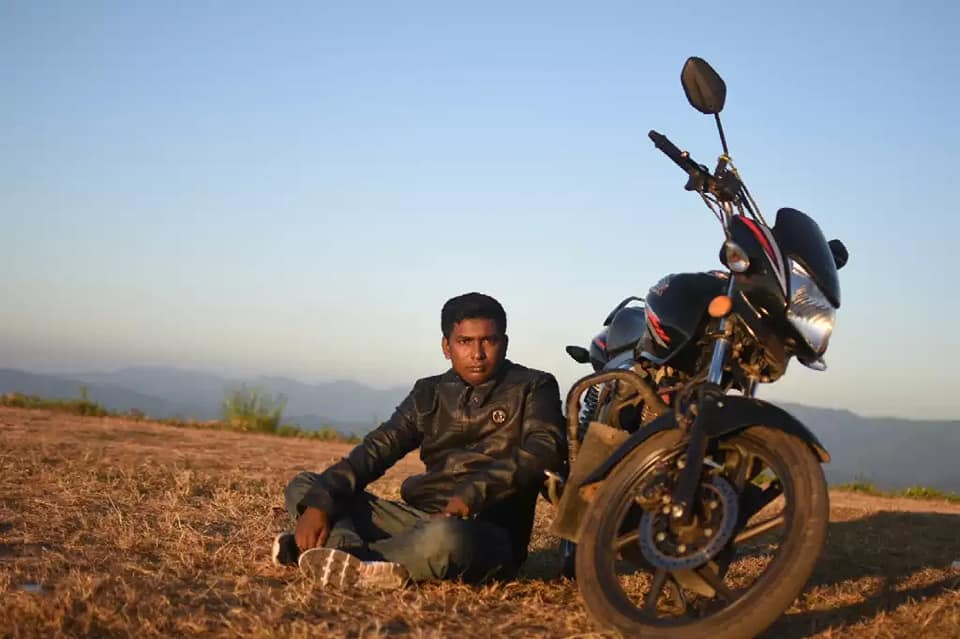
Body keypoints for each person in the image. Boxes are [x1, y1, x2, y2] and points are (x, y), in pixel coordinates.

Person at [272, 292, 567, 590]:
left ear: (504, 343)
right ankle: (346, 553)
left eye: (488, 341)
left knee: (445, 538)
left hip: (483, 534)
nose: (477, 354)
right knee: (308, 485)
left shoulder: (534, 386)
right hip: (418, 519)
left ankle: (338, 557)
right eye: (465, 341)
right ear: (446, 346)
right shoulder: (428, 393)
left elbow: (545, 448)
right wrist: (321, 502)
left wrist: (471, 495)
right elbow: (376, 449)